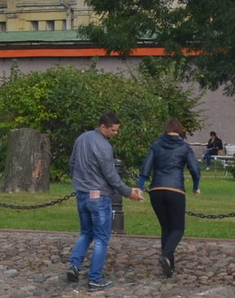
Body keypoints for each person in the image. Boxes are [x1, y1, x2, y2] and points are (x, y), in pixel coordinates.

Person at [66, 111, 141, 291]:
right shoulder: (104, 147)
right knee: (101, 239)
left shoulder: (81, 139)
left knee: (85, 233)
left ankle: (74, 265)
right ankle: (94, 279)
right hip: (99, 196)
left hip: (82, 193)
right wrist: (128, 192)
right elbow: (111, 175)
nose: (115, 134)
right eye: (113, 130)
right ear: (103, 127)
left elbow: (72, 164)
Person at [136, 119, 203, 278]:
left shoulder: (156, 145)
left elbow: (145, 168)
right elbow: (195, 169)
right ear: (179, 131)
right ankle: (166, 255)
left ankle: (169, 267)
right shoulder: (184, 147)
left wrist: (139, 187)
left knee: (166, 228)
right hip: (175, 189)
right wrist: (195, 185)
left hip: (156, 190)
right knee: (178, 228)